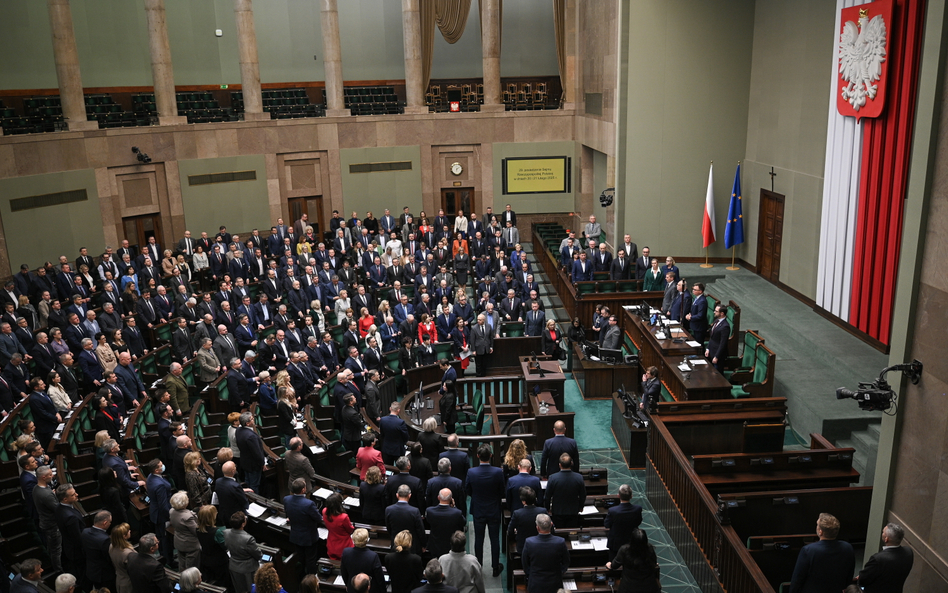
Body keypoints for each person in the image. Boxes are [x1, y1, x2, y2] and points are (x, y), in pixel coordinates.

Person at [788, 513, 855, 593]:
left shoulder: (808, 550)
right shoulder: (848, 548)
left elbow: (797, 579)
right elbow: (849, 575)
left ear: (820, 532)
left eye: (817, 525)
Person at [465, 445, 505, 577]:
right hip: (493, 509)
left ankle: (478, 566)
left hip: (479, 510)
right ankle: (495, 567)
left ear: (477, 456)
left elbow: (468, 490)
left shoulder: (472, 472)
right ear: (491, 456)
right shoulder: (498, 472)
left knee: (479, 539)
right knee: (494, 539)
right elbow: (501, 491)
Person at [284, 478, 325, 575]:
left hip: (295, 535)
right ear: (303, 490)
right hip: (309, 538)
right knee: (311, 560)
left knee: (301, 558)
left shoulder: (286, 499)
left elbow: (288, 513)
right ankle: (311, 580)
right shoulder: (309, 504)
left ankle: (301, 577)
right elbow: (318, 519)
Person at [857, 523, 914, 592]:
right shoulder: (908, 552)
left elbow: (863, 580)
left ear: (886, 539)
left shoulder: (878, 559)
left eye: (883, 532)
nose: (882, 533)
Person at [521, 513, 570, 593]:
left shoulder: (529, 542)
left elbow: (525, 563)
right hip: (554, 582)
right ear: (551, 525)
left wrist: (531, 574)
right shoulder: (560, 542)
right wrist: (560, 572)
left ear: (537, 527)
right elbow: (566, 562)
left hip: (535, 582)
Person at [605, 528, 661, 593]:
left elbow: (614, 565)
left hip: (629, 587)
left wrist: (610, 565)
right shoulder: (650, 549)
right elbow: (654, 563)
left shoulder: (624, 550)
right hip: (649, 587)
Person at [223, 511, 263, 593]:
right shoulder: (248, 539)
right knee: (251, 590)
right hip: (248, 569)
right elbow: (258, 555)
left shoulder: (225, 532)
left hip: (234, 566)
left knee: (239, 590)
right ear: (243, 524)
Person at [545, 453, 586, 529]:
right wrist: (581, 506)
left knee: (559, 532)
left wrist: (547, 508)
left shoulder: (553, 478)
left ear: (559, 465)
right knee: (572, 532)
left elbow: (547, 496)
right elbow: (583, 495)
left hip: (557, 511)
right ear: (571, 463)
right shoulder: (579, 477)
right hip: (573, 511)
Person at [605, 484, 644, 561]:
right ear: (631, 496)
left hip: (616, 544)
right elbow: (638, 522)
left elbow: (607, 525)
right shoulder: (637, 509)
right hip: (632, 542)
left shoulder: (612, 511)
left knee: (614, 563)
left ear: (618, 496)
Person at [340, 529, 386, 593]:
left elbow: (344, 573)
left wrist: (348, 585)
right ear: (366, 540)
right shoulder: (372, 556)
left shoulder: (346, 552)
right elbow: (379, 578)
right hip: (368, 589)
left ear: (353, 539)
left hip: (352, 588)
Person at [386, 483, 426, 553]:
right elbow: (420, 530)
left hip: (396, 544)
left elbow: (389, 528)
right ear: (409, 495)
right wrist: (423, 544)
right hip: (411, 545)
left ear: (397, 495)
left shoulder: (389, 510)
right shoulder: (415, 511)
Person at [196, 506, 229, 587]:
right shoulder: (216, 532)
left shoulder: (197, 529)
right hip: (219, 562)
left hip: (205, 559)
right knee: (222, 582)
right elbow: (225, 546)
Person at [507, 487, 547, 553]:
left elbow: (510, 531)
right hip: (540, 546)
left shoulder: (517, 513)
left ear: (523, 502)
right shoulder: (543, 511)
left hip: (523, 547)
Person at [170, 491, 201, 571]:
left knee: (182, 564)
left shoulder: (171, 511)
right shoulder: (188, 516)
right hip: (190, 545)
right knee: (191, 567)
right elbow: (196, 531)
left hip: (179, 541)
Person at [323, 493, 355, 559]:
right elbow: (350, 530)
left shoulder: (324, 511)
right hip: (344, 546)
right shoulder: (343, 517)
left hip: (331, 544)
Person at [379, 401, 410, 465]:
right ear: (398, 410)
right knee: (400, 467)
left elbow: (382, 434)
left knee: (388, 468)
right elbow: (406, 437)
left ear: (390, 408)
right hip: (398, 450)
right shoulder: (401, 422)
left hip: (386, 448)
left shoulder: (382, 420)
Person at [109, 522, 135, 593]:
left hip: (119, 579)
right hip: (129, 583)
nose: (130, 531)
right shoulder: (128, 553)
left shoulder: (111, 546)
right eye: (128, 531)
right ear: (124, 536)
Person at [705, 304, 730, 372]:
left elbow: (723, 343)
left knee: (717, 374)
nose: (714, 312)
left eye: (716, 311)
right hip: (712, 351)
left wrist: (717, 356)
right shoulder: (716, 321)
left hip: (718, 355)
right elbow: (712, 337)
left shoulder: (725, 326)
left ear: (722, 313)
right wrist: (708, 348)